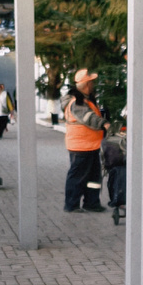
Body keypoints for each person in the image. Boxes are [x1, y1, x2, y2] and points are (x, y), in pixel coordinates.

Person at [63, 69, 110, 213]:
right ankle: (71, 204)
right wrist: (104, 124)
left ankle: (92, 202)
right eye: (92, 82)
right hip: (81, 146)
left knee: (94, 177)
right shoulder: (77, 102)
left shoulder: (85, 100)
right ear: (87, 84)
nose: (94, 85)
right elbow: (89, 117)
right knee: (77, 177)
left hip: (89, 145)